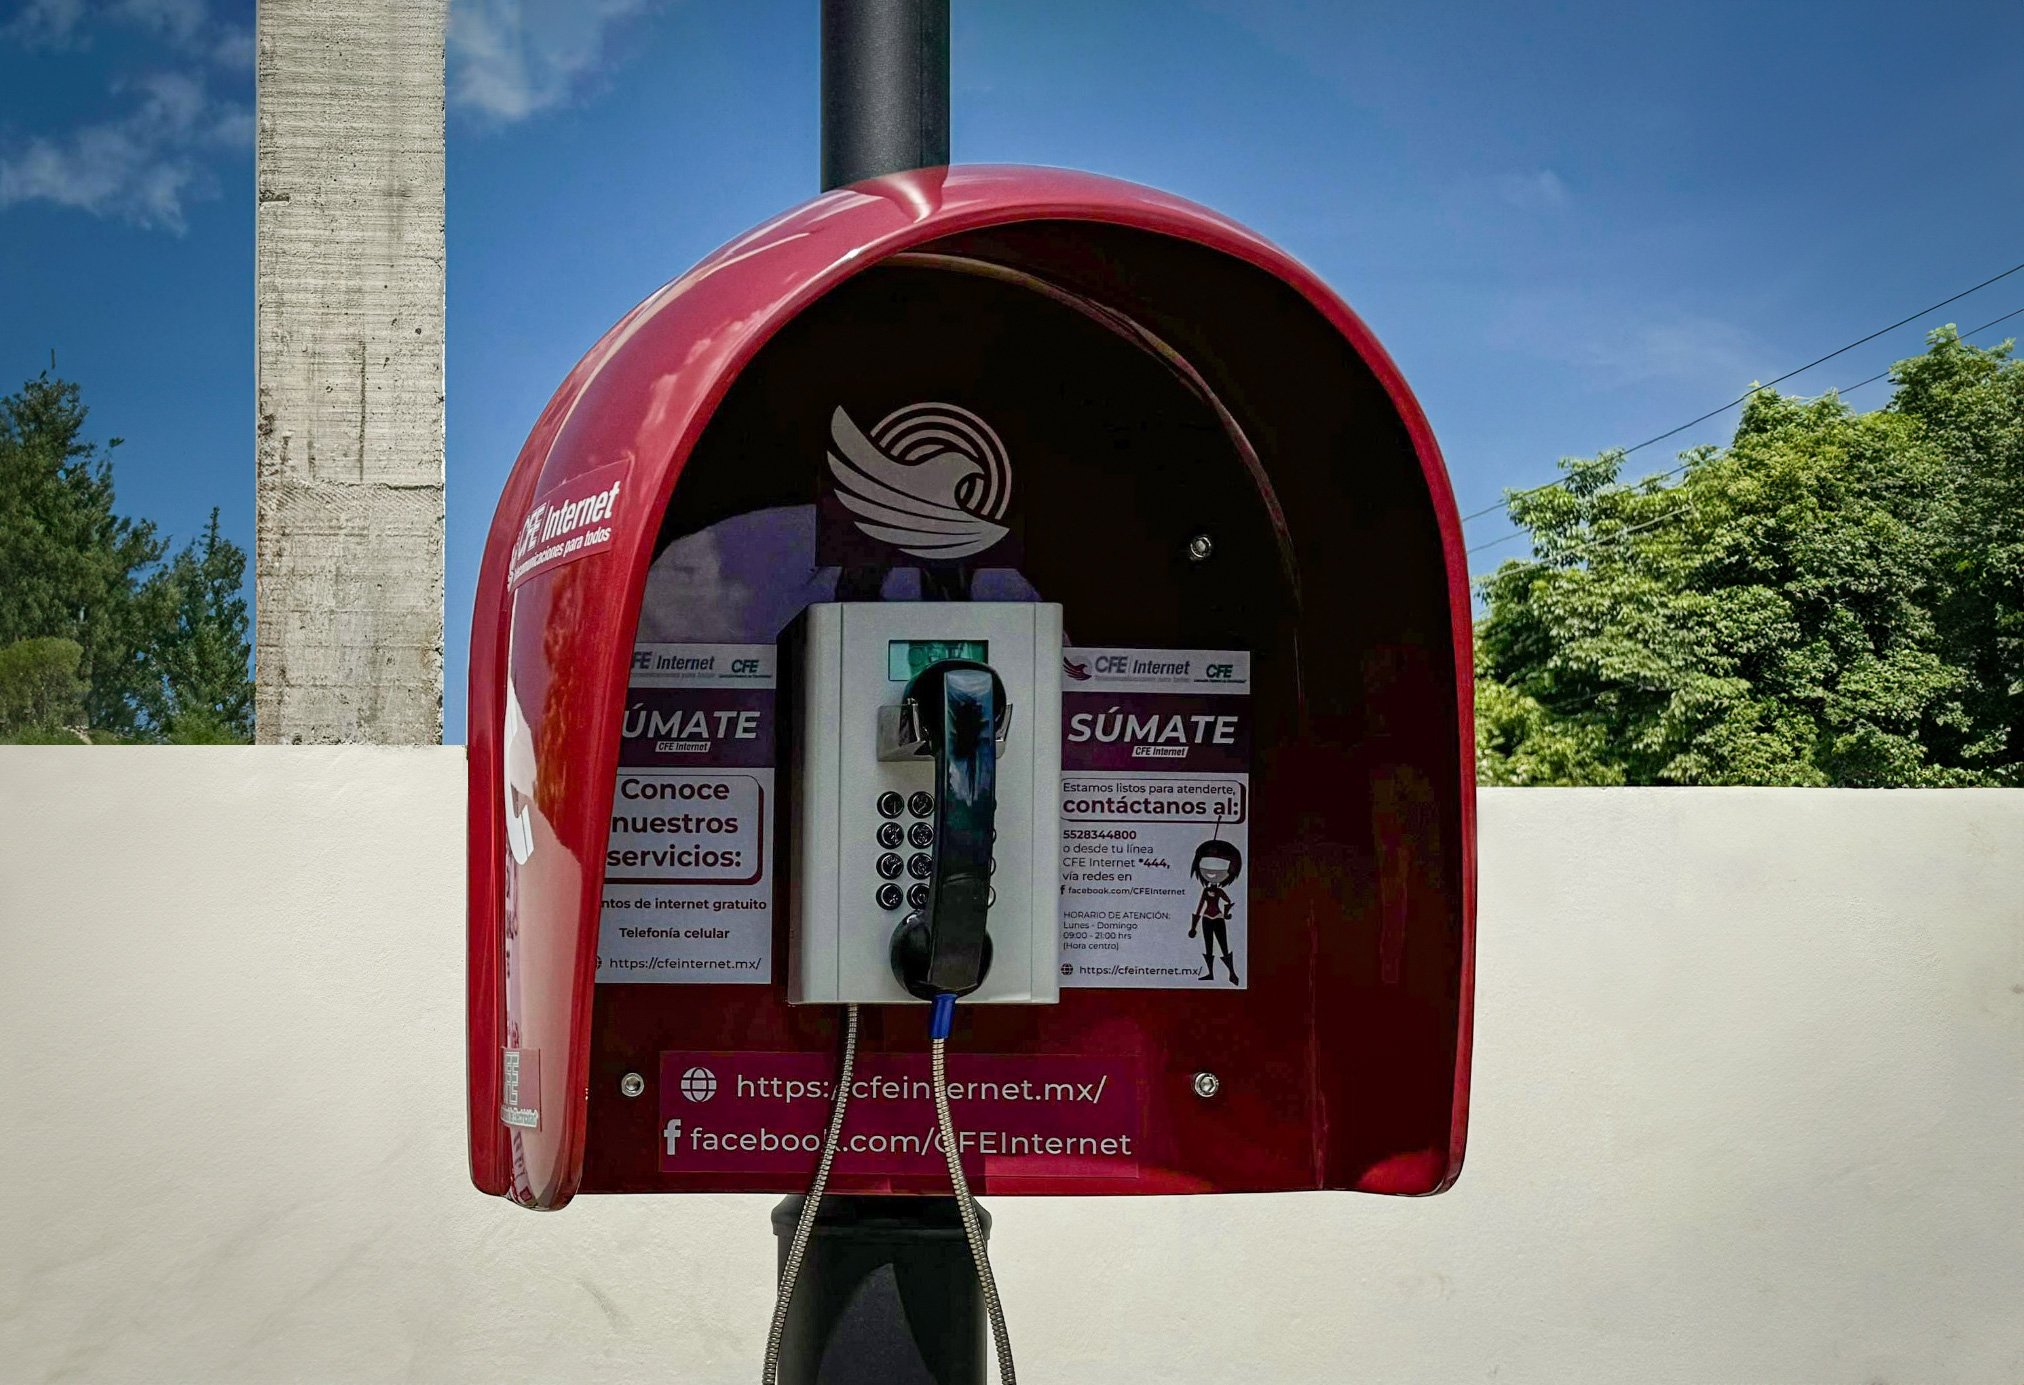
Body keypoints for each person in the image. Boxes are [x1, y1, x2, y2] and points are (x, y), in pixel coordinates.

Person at [1187, 839, 1242, 985]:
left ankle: (1232, 973)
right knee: (1208, 946)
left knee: (1223, 945)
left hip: (1218, 918)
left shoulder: (1219, 891)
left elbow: (1228, 901)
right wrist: (1193, 926)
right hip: (1206, 918)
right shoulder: (1206, 891)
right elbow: (1199, 907)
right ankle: (1210, 973)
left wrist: (1226, 913)